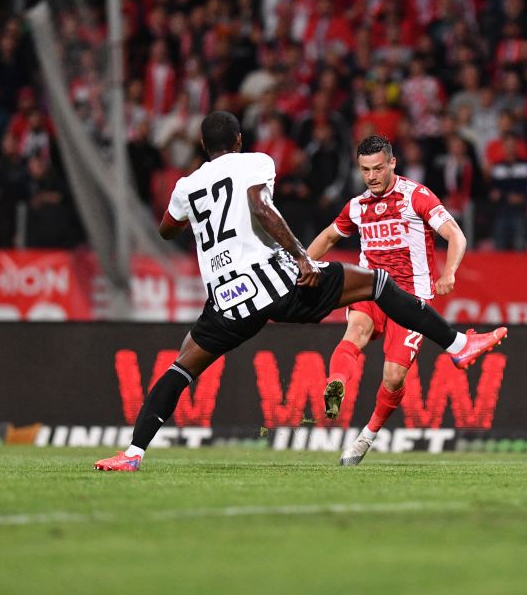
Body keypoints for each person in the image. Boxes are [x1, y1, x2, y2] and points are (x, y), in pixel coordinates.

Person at [95, 112, 505, 472]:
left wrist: (187, 217)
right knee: (378, 283)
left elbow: (167, 229)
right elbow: (260, 206)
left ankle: (133, 452)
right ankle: (455, 345)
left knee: (182, 366)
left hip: (226, 297)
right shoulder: (255, 162)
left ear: (202, 145)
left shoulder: (187, 185)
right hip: (271, 280)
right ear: (239, 141)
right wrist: (301, 258)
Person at [304, 134, 470, 466]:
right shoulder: (357, 206)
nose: (372, 176)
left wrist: (449, 271)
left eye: (378, 168)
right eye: (365, 170)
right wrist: (301, 268)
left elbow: (455, 234)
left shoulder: (417, 196)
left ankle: (366, 437)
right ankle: (336, 384)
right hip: (372, 289)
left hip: (410, 300)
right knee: (356, 331)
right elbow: (327, 237)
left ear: (392, 163)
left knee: (393, 376)